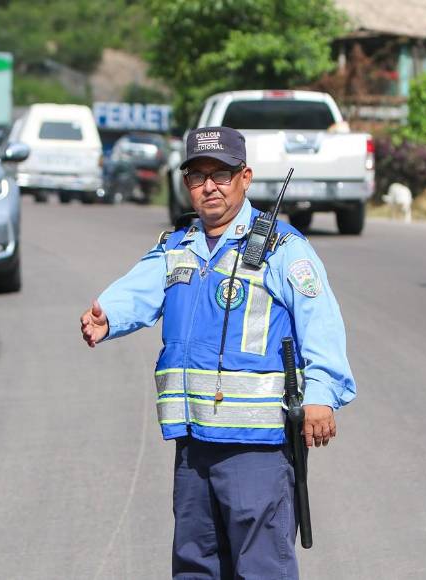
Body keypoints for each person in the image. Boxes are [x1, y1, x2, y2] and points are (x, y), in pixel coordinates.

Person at [80, 126, 356, 579]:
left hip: (257, 448)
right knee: (196, 566)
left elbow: (320, 323)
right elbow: (137, 290)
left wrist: (321, 395)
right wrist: (106, 315)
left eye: (221, 174)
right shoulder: (177, 247)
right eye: (197, 176)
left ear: (245, 178)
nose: (209, 186)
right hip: (194, 444)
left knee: (261, 567)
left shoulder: (282, 248)